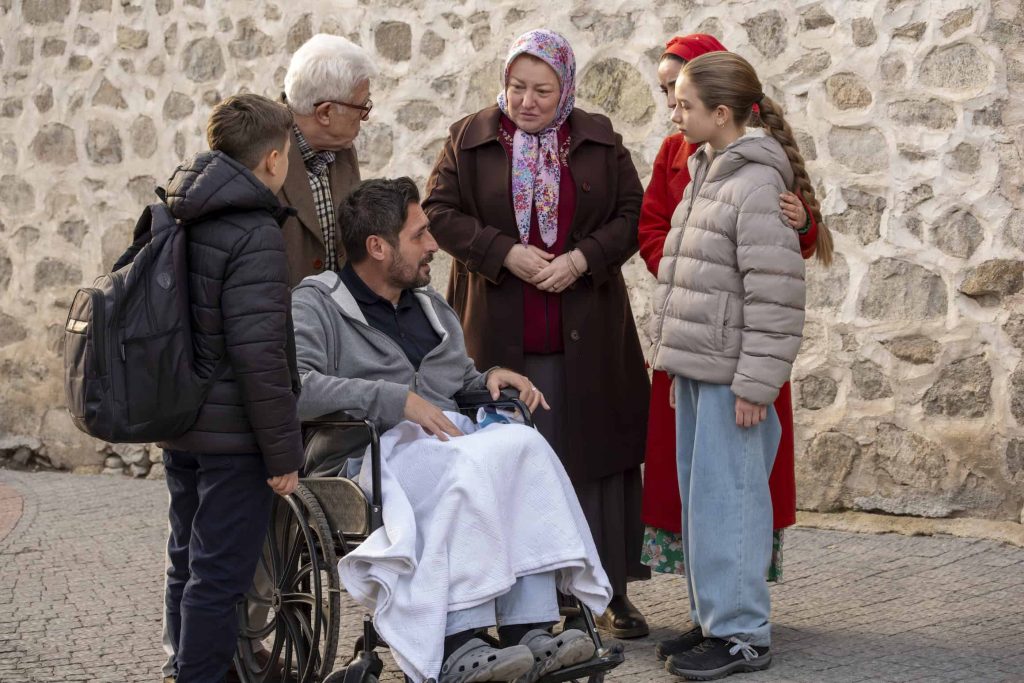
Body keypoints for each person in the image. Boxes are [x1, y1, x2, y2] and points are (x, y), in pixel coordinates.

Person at [292, 177, 611, 683]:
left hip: (445, 443)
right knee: (463, 467)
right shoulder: (317, 305)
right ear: (378, 247)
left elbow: (457, 380)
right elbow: (299, 389)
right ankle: (459, 641)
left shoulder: (430, 307)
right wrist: (393, 400)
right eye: (419, 235)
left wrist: (487, 380)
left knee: (521, 446)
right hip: (365, 455)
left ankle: (529, 630)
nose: (433, 246)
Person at [423, 29, 652, 639]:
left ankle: (606, 592)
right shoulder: (468, 141)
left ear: (566, 89)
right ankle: (509, 602)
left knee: (592, 462)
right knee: (503, 465)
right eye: (517, 87)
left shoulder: (599, 140)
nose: (526, 101)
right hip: (500, 334)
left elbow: (635, 215)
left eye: (542, 91)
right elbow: (438, 214)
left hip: (588, 333)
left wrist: (580, 259)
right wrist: (504, 252)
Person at [637, 34, 831, 657]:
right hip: (696, 370)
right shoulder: (704, 171)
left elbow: (775, 298)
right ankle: (713, 618)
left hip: (732, 379)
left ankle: (743, 631)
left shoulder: (755, 187)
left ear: (721, 115)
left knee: (735, 504)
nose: (673, 112)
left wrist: (755, 385)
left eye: (684, 103)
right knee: (704, 502)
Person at [158, 94, 304, 683]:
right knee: (219, 576)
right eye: (289, 154)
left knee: (185, 560)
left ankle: (178, 665)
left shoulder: (177, 210)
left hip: (180, 420)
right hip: (233, 438)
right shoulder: (255, 232)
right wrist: (283, 453)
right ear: (272, 160)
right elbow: (260, 354)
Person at [279, 33, 377, 284]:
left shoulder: (341, 146)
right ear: (325, 113)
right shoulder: (261, 154)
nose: (365, 117)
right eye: (361, 107)